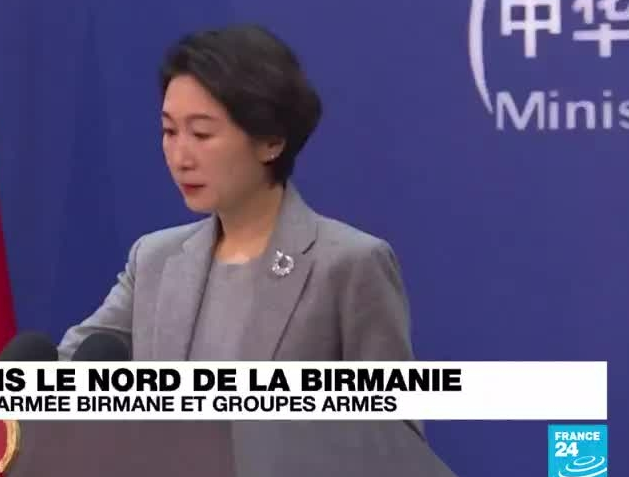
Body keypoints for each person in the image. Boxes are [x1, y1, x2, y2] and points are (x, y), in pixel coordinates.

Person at [57, 23, 415, 367]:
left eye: (201, 134)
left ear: (271, 140)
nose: (180, 157)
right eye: (169, 131)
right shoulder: (154, 259)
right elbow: (65, 366)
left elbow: (392, 411)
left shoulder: (350, 265)